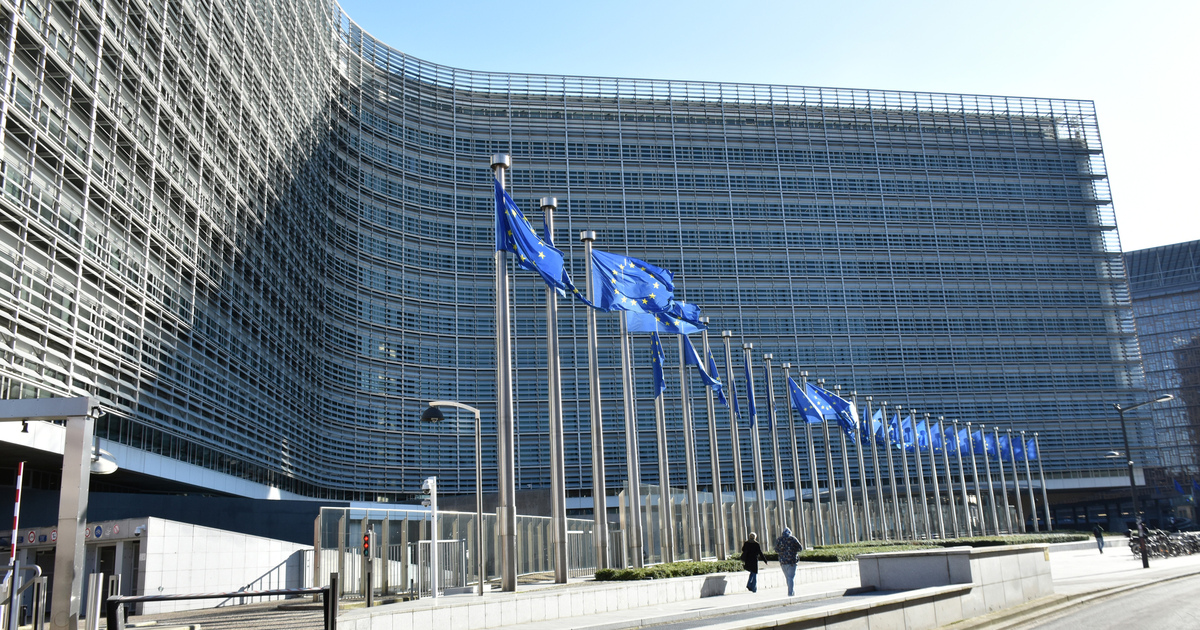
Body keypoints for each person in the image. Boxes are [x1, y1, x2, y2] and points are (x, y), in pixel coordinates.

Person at [775, 527, 803, 596]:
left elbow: (776, 550)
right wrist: (793, 550)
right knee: (791, 577)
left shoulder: (779, 539)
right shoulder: (793, 539)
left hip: (783, 561)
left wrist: (782, 552)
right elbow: (800, 548)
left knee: (788, 578)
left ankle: (791, 591)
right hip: (792, 561)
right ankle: (790, 592)